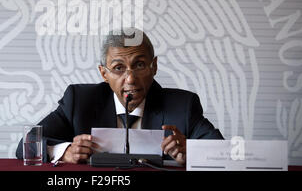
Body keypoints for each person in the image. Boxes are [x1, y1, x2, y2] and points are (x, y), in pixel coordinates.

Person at [16, 29, 223, 165]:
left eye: (140, 65)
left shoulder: (182, 106)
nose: (130, 79)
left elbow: (223, 152)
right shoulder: (79, 101)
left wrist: (192, 151)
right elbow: (26, 145)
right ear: (103, 73)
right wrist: (65, 151)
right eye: (118, 68)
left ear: (154, 67)